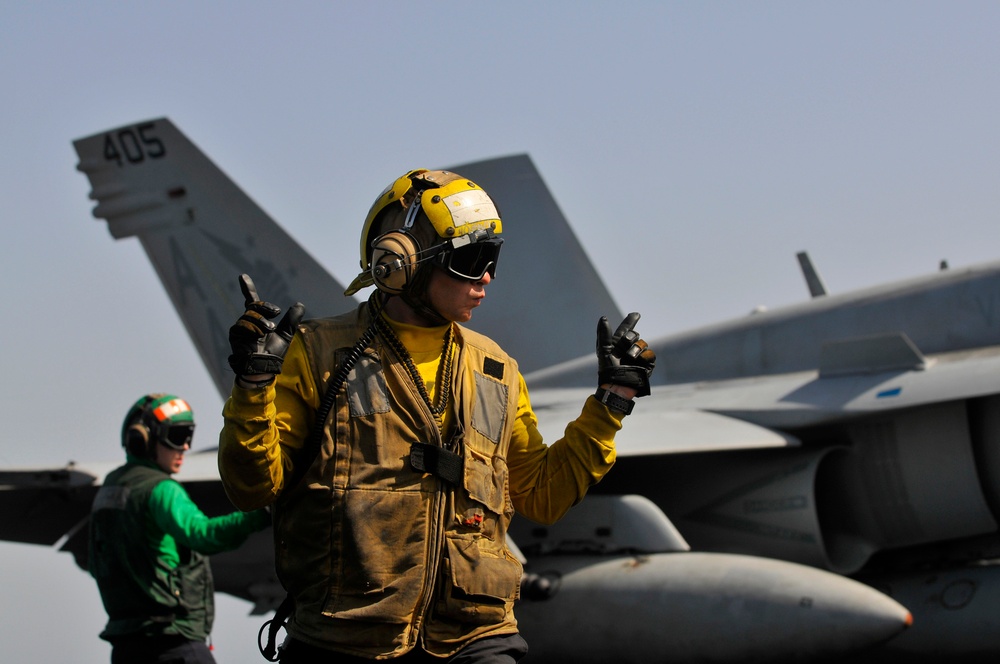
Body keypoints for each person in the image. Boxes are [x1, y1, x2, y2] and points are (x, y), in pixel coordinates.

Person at [218, 169, 656, 663]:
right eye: (471, 260)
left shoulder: (495, 370)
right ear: (401, 264)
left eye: (493, 260)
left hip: (476, 636)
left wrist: (611, 403)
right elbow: (251, 487)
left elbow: (543, 497)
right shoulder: (318, 354)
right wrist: (253, 387)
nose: (487, 277)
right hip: (347, 640)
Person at [88, 393, 271, 664]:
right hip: (173, 644)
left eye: (189, 436)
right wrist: (262, 513)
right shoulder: (161, 490)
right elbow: (204, 536)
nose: (185, 446)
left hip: (126, 647)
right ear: (144, 439)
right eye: (177, 435)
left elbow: (95, 562)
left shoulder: (109, 489)